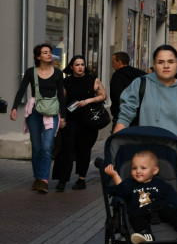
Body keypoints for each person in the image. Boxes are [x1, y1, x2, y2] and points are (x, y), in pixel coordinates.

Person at [114, 45, 177, 160]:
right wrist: (113, 151)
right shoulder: (140, 84)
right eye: (160, 62)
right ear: (154, 64)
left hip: (175, 159)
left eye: (170, 61)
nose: (166, 66)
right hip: (142, 159)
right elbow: (124, 118)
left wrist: (172, 149)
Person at [103, 150, 177, 244]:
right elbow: (123, 193)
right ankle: (145, 234)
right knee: (135, 217)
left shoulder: (161, 184)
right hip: (140, 211)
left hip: (160, 208)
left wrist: (174, 208)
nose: (138, 171)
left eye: (143, 168)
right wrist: (115, 175)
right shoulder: (129, 184)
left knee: (172, 210)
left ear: (154, 171)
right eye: (134, 168)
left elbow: (172, 197)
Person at [11, 43, 67, 192]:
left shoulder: (57, 73)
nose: (49, 54)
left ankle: (43, 180)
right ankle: (37, 178)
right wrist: (14, 108)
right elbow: (21, 90)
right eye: (45, 52)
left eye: (49, 52)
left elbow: (61, 96)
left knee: (47, 147)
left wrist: (63, 117)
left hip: (52, 112)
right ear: (38, 56)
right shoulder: (31, 72)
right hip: (35, 112)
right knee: (36, 148)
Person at [52, 55, 107, 191]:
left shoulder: (92, 79)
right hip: (71, 119)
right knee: (66, 149)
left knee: (84, 149)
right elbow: (61, 101)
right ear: (71, 67)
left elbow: (103, 95)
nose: (80, 67)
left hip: (88, 121)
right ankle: (62, 180)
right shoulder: (67, 81)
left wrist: (87, 101)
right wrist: (61, 118)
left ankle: (81, 179)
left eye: (82, 64)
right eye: (77, 65)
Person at [108, 52, 146, 130]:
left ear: (119, 62)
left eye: (113, 62)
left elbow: (116, 97)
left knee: (118, 140)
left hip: (122, 117)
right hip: (140, 116)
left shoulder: (117, 76)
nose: (112, 65)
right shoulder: (140, 74)